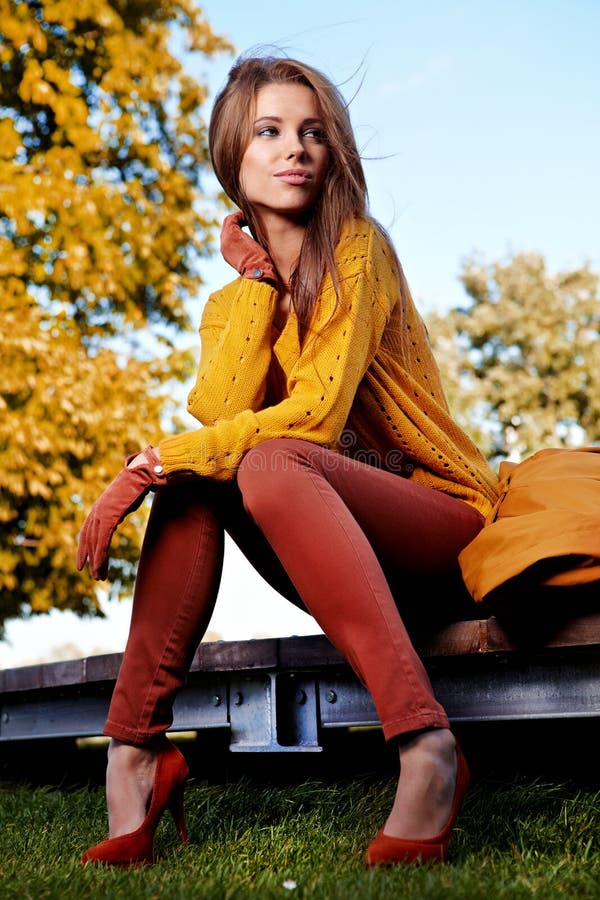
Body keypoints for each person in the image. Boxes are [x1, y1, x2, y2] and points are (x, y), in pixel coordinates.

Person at [76, 53, 501, 868]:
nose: (294, 148)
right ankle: (133, 750)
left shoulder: (358, 251)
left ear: (332, 149)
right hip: (332, 544)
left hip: (439, 522)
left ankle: (426, 745)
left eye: (312, 132)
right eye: (269, 132)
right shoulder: (229, 303)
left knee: (266, 460)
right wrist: (260, 291)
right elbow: (223, 420)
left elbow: (314, 416)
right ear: (233, 157)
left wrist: (143, 465)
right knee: (205, 475)